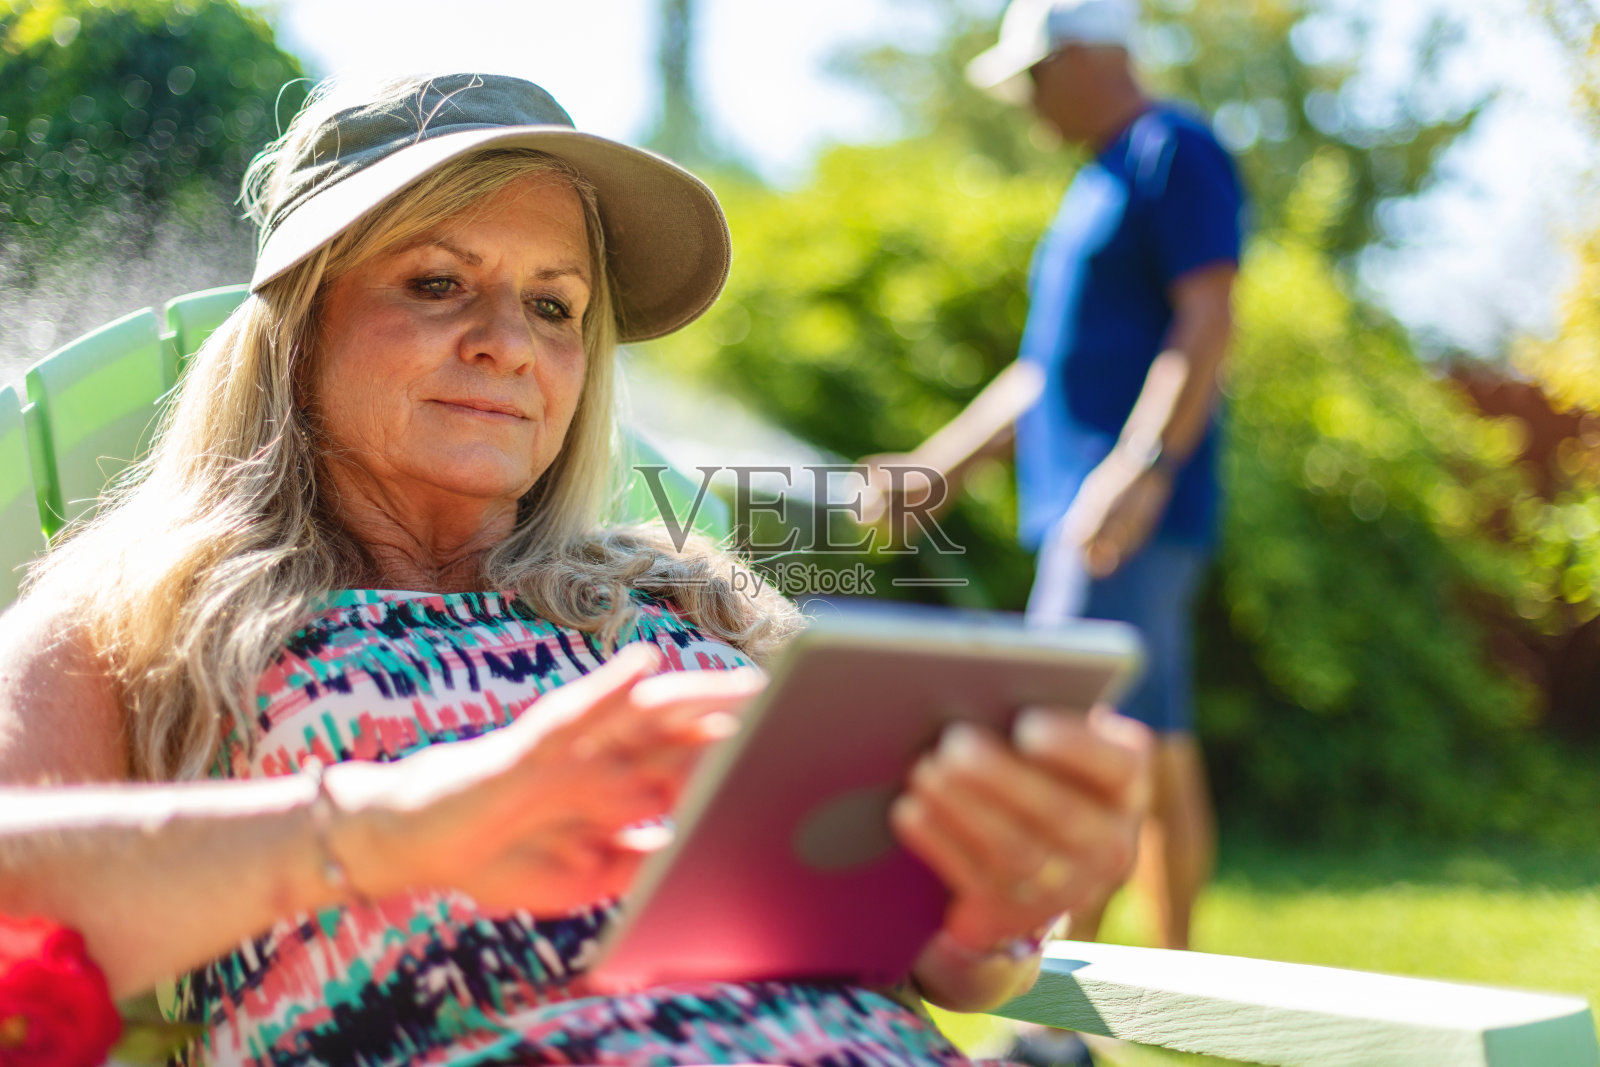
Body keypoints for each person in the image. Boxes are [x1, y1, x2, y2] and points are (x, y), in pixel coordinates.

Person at [0, 73, 1152, 1067]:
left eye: (554, 305)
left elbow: (942, 955)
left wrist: (994, 906)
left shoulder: (690, 597)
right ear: (300, 322)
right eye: (437, 282)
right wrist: (395, 821)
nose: (509, 339)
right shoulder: (143, 612)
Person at [864, 0, 1243, 964]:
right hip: (1091, 502)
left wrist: (1139, 465)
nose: (1028, 101)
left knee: (1070, 730)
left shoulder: (1172, 149)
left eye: (1035, 76)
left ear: (1086, 53)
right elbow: (1044, 372)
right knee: (1151, 735)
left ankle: (1066, 968)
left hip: (1118, 509)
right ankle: (1163, 976)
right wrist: (937, 467)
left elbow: (1207, 320)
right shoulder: (1092, 187)